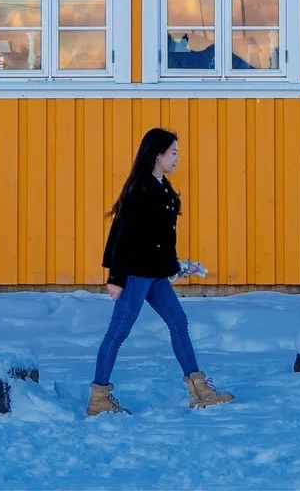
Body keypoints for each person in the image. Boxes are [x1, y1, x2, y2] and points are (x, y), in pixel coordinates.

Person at [87, 127, 234, 415]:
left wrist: (174, 267)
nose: (178, 158)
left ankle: (198, 388)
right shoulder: (139, 191)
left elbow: (158, 239)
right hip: (134, 273)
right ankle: (99, 398)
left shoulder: (162, 187)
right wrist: (116, 277)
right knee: (117, 333)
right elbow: (122, 237)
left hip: (153, 273)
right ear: (158, 155)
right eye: (174, 152)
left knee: (178, 322)